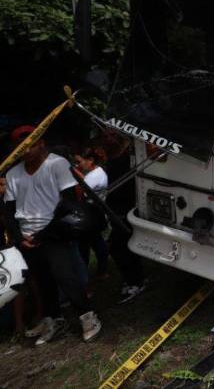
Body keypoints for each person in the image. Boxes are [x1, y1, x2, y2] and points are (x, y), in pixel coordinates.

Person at [3, 126, 102, 345]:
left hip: (54, 230)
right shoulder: (13, 174)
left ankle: (88, 316)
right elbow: (8, 212)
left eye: (30, 144)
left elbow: (68, 202)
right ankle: (54, 320)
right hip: (27, 236)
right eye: (21, 147)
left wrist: (46, 232)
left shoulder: (57, 164)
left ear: (41, 143)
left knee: (64, 275)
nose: (26, 150)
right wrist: (19, 237)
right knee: (42, 281)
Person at [100, 129, 146, 303]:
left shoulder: (128, 158)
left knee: (120, 246)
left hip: (128, 208)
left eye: (110, 136)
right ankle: (133, 279)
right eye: (104, 136)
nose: (106, 139)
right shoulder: (111, 160)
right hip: (115, 209)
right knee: (121, 246)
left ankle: (136, 281)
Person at [74, 147, 110, 281]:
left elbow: (81, 191)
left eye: (80, 161)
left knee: (88, 245)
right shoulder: (94, 173)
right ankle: (99, 271)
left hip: (92, 214)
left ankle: (93, 273)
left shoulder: (95, 175)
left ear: (90, 160)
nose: (78, 165)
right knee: (94, 243)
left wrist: (74, 171)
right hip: (91, 213)